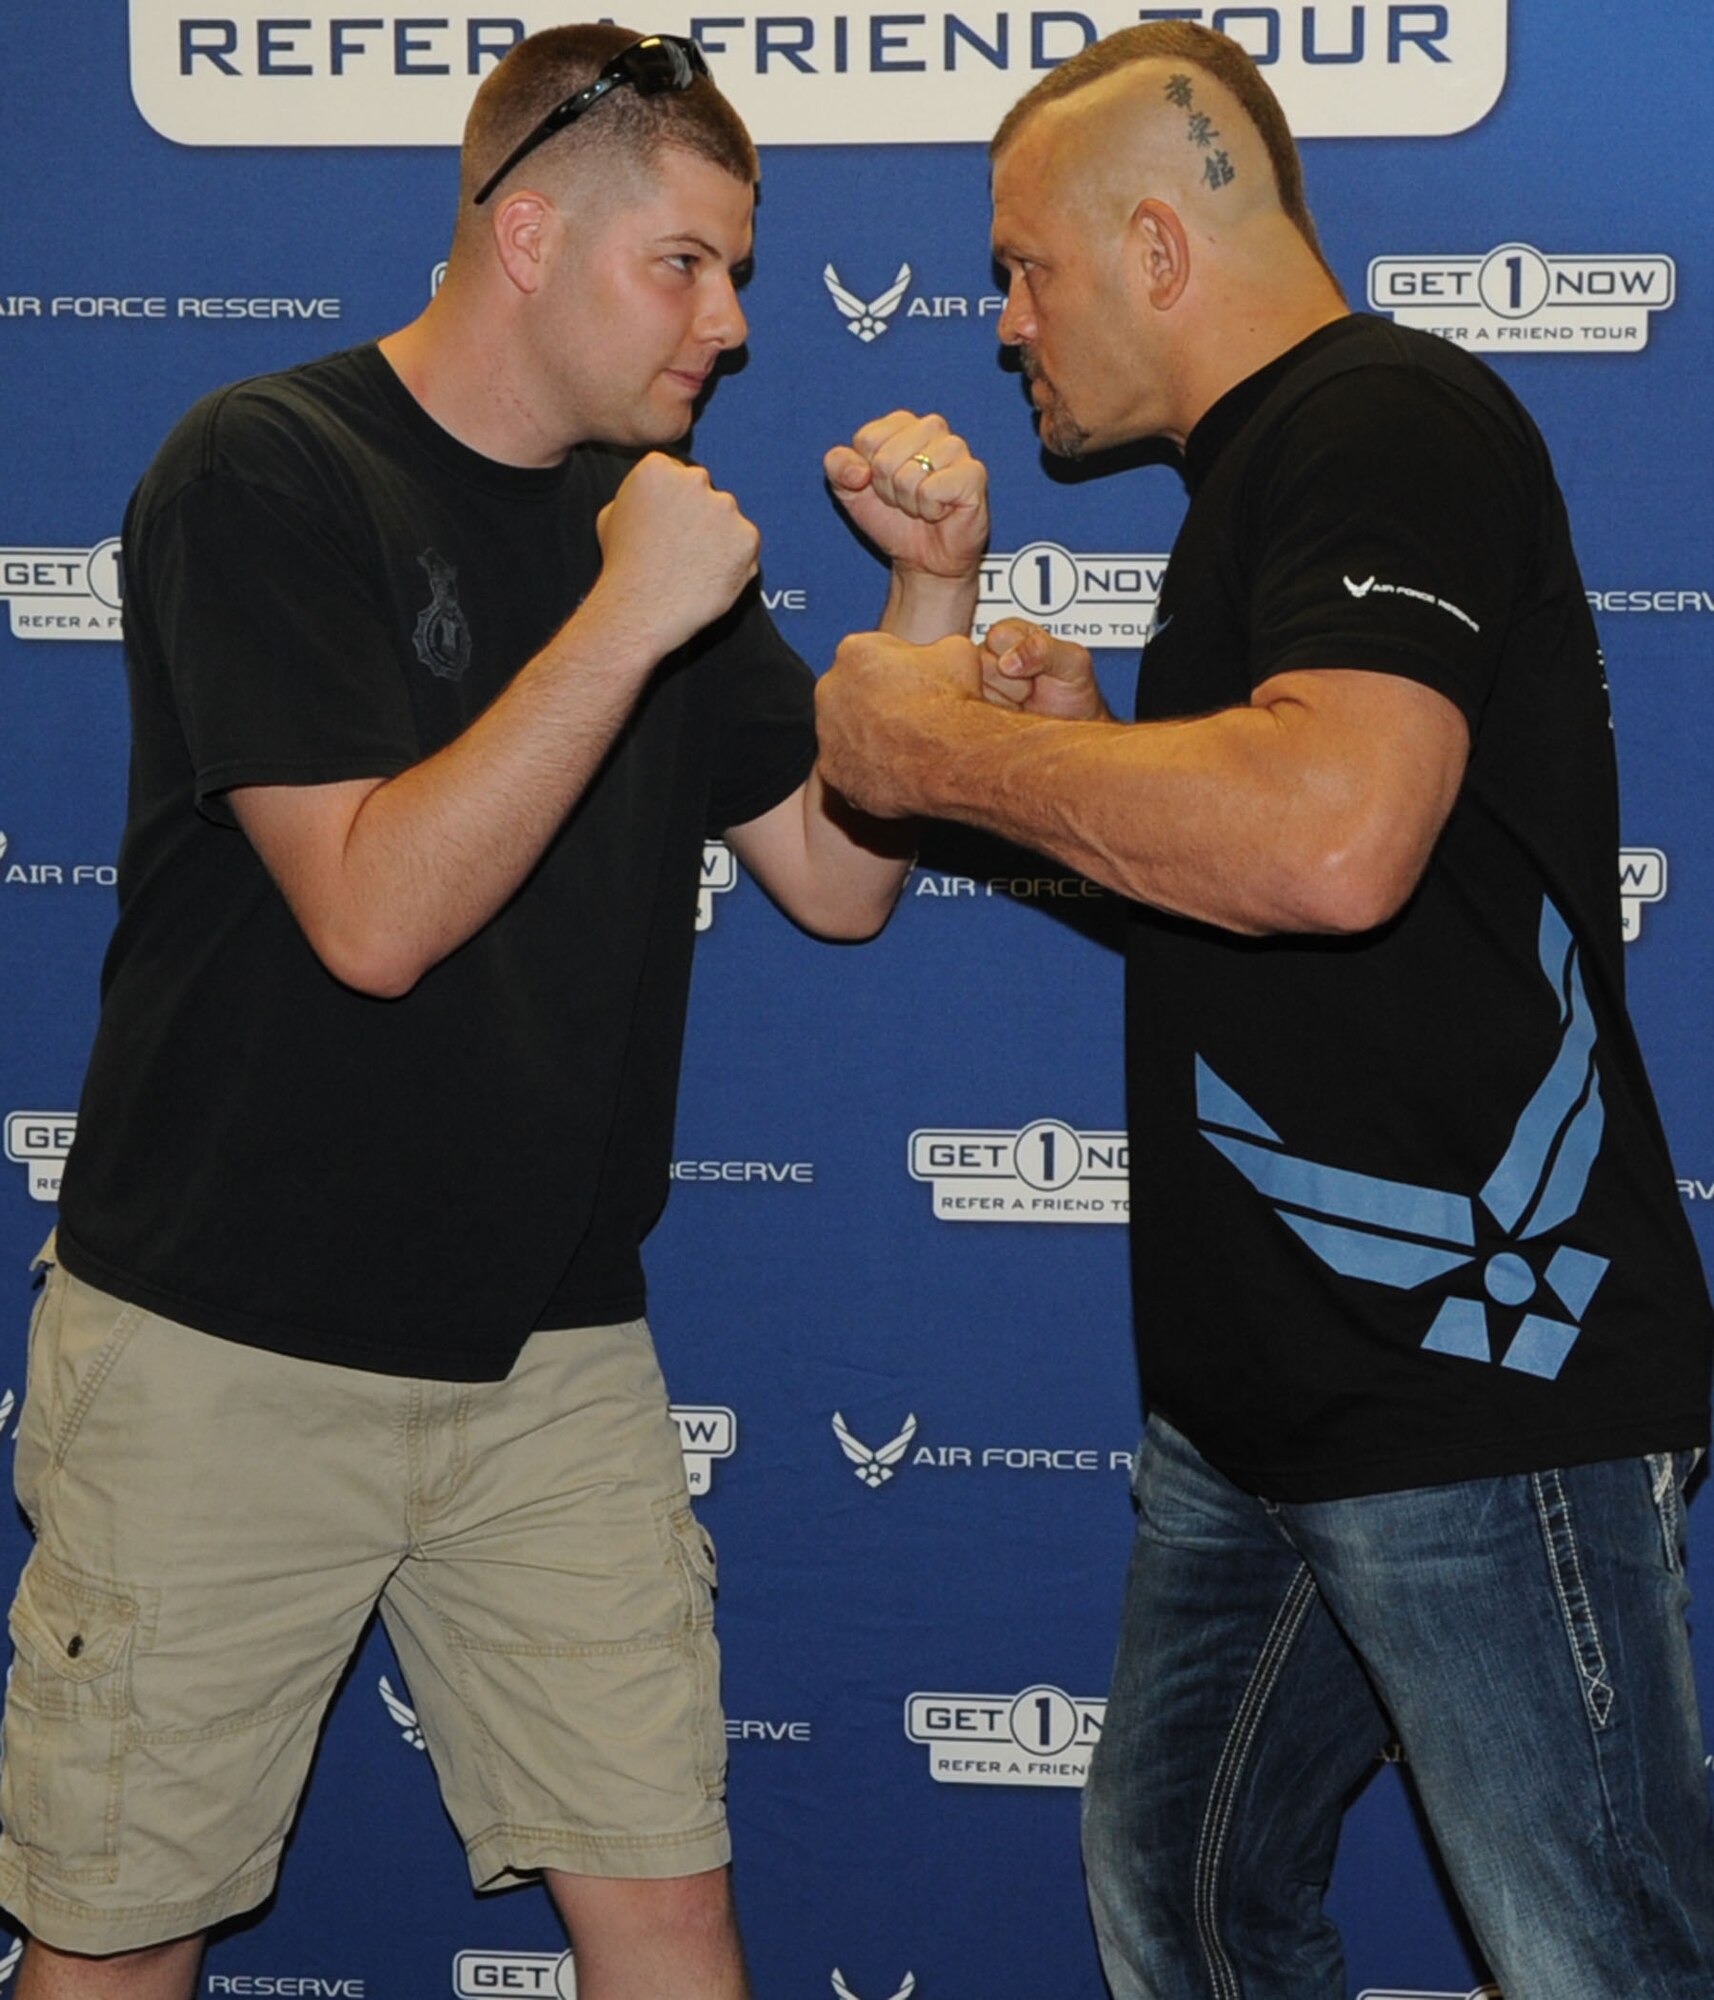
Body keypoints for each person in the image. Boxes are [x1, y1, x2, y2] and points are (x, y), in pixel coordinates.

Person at [0, 24, 986, 2000]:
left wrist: (927, 602)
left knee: (671, 1911)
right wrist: (623, 613)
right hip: (224, 1349)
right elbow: (371, 912)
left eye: (738, 269)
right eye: (683, 263)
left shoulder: (648, 522)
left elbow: (836, 877)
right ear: (525, 235)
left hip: (550, 1355)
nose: (723, 321)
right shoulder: (264, 467)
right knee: (118, 1937)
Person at [816, 22, 1714, 2000]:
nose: (1002, 323)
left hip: (1476, 1387)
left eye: (1021, 267)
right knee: (1190, 1899)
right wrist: (1098, 764)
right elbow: (1301, 899)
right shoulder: (1263, 481)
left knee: (1604, 1961)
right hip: (1264, 1405)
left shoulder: (1378, 416)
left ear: (1154, 244)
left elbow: (1324, 843)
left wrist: (937, 756)